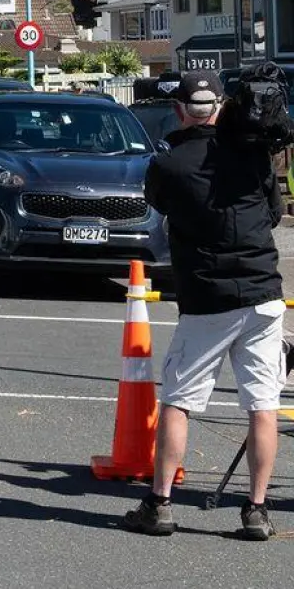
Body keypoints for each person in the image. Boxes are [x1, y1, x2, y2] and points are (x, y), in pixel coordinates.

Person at [124, 71, 285, 541]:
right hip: (263, 293)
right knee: (263, 405)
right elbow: (274, 213)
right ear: (220, 107)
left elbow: (156, 204)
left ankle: (160, 504)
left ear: (179, 110)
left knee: (179, 401)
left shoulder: (170, 163)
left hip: (207, 297)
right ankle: (256, 509)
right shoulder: (253, 152)